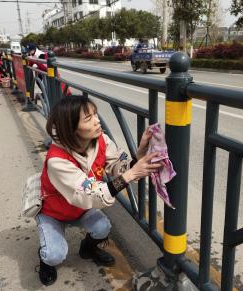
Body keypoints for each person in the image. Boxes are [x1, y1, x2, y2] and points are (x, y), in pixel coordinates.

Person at [36, 95, 162, 286]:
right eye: (88, 119)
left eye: (95, 114)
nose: (97, 121)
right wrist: (129, 176)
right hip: (53, 212)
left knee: (103, 227)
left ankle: (88, 249)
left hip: (80, 208)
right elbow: (90, 194)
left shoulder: (101, 139)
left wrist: (139, 155)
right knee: (55, 255)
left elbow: (119, 165)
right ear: (71, 128)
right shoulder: (57, 160)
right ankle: (45, 261)